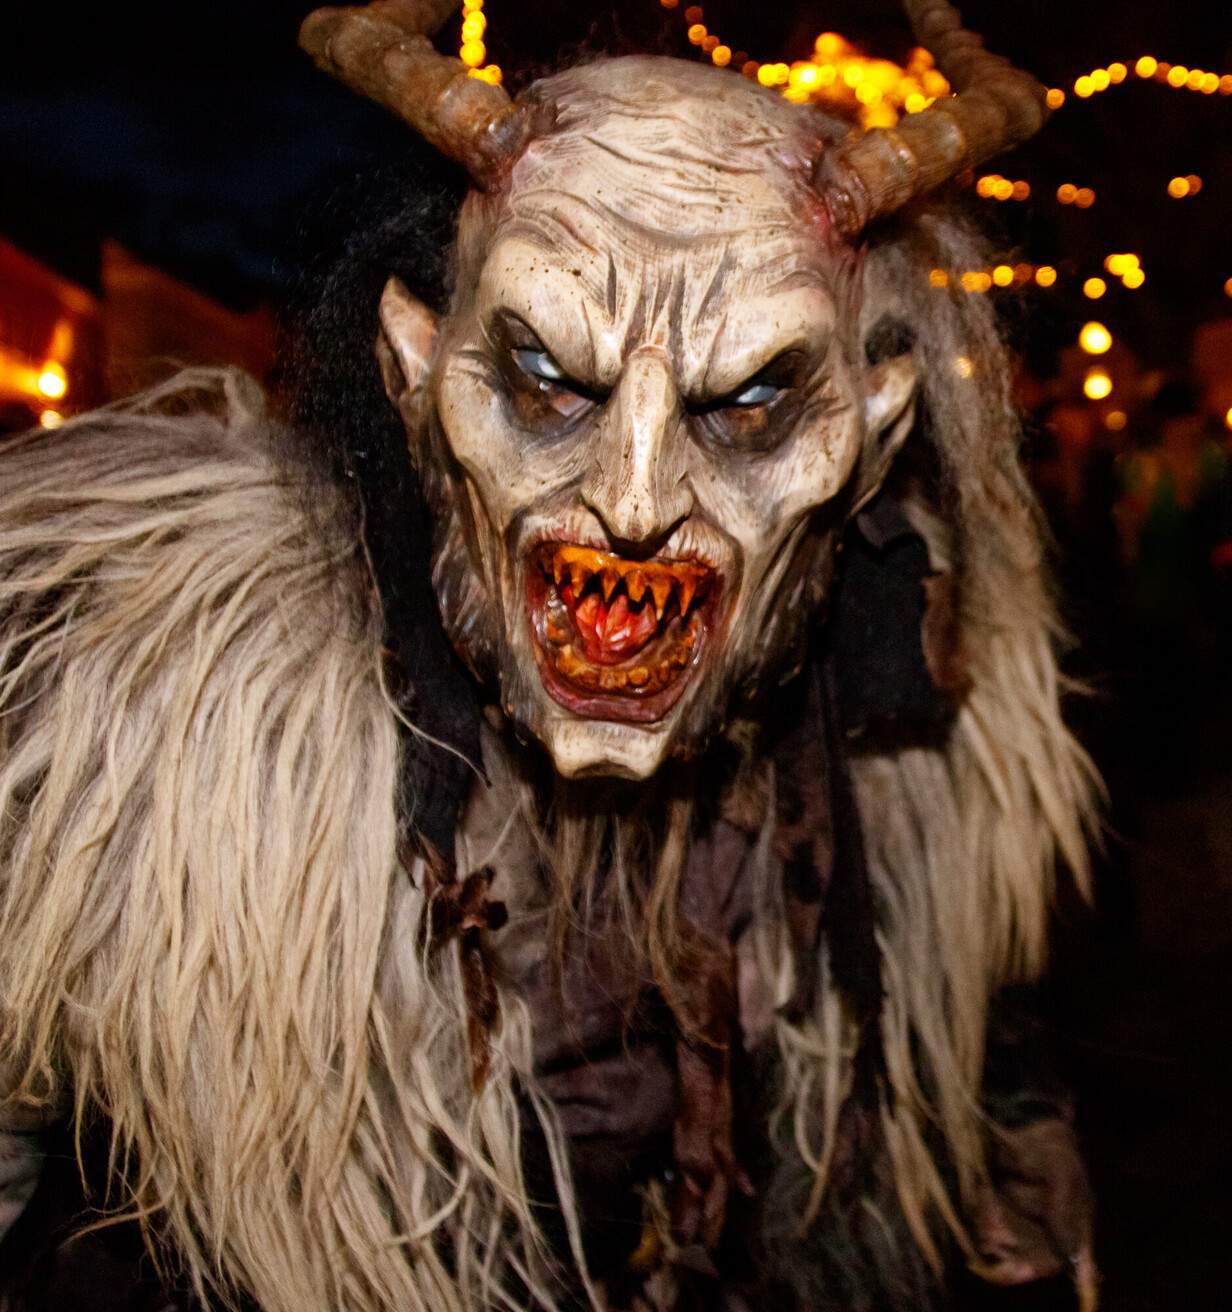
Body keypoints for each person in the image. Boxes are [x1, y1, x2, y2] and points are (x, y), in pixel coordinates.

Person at [0, 3, 1100, 1309]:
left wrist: (1004, 1122)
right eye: (544, 378)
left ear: (871, 421)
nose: (634, 497)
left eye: (748, 401)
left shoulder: (902, 680)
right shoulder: (128, 703)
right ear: (419, 369)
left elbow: (956, 946)